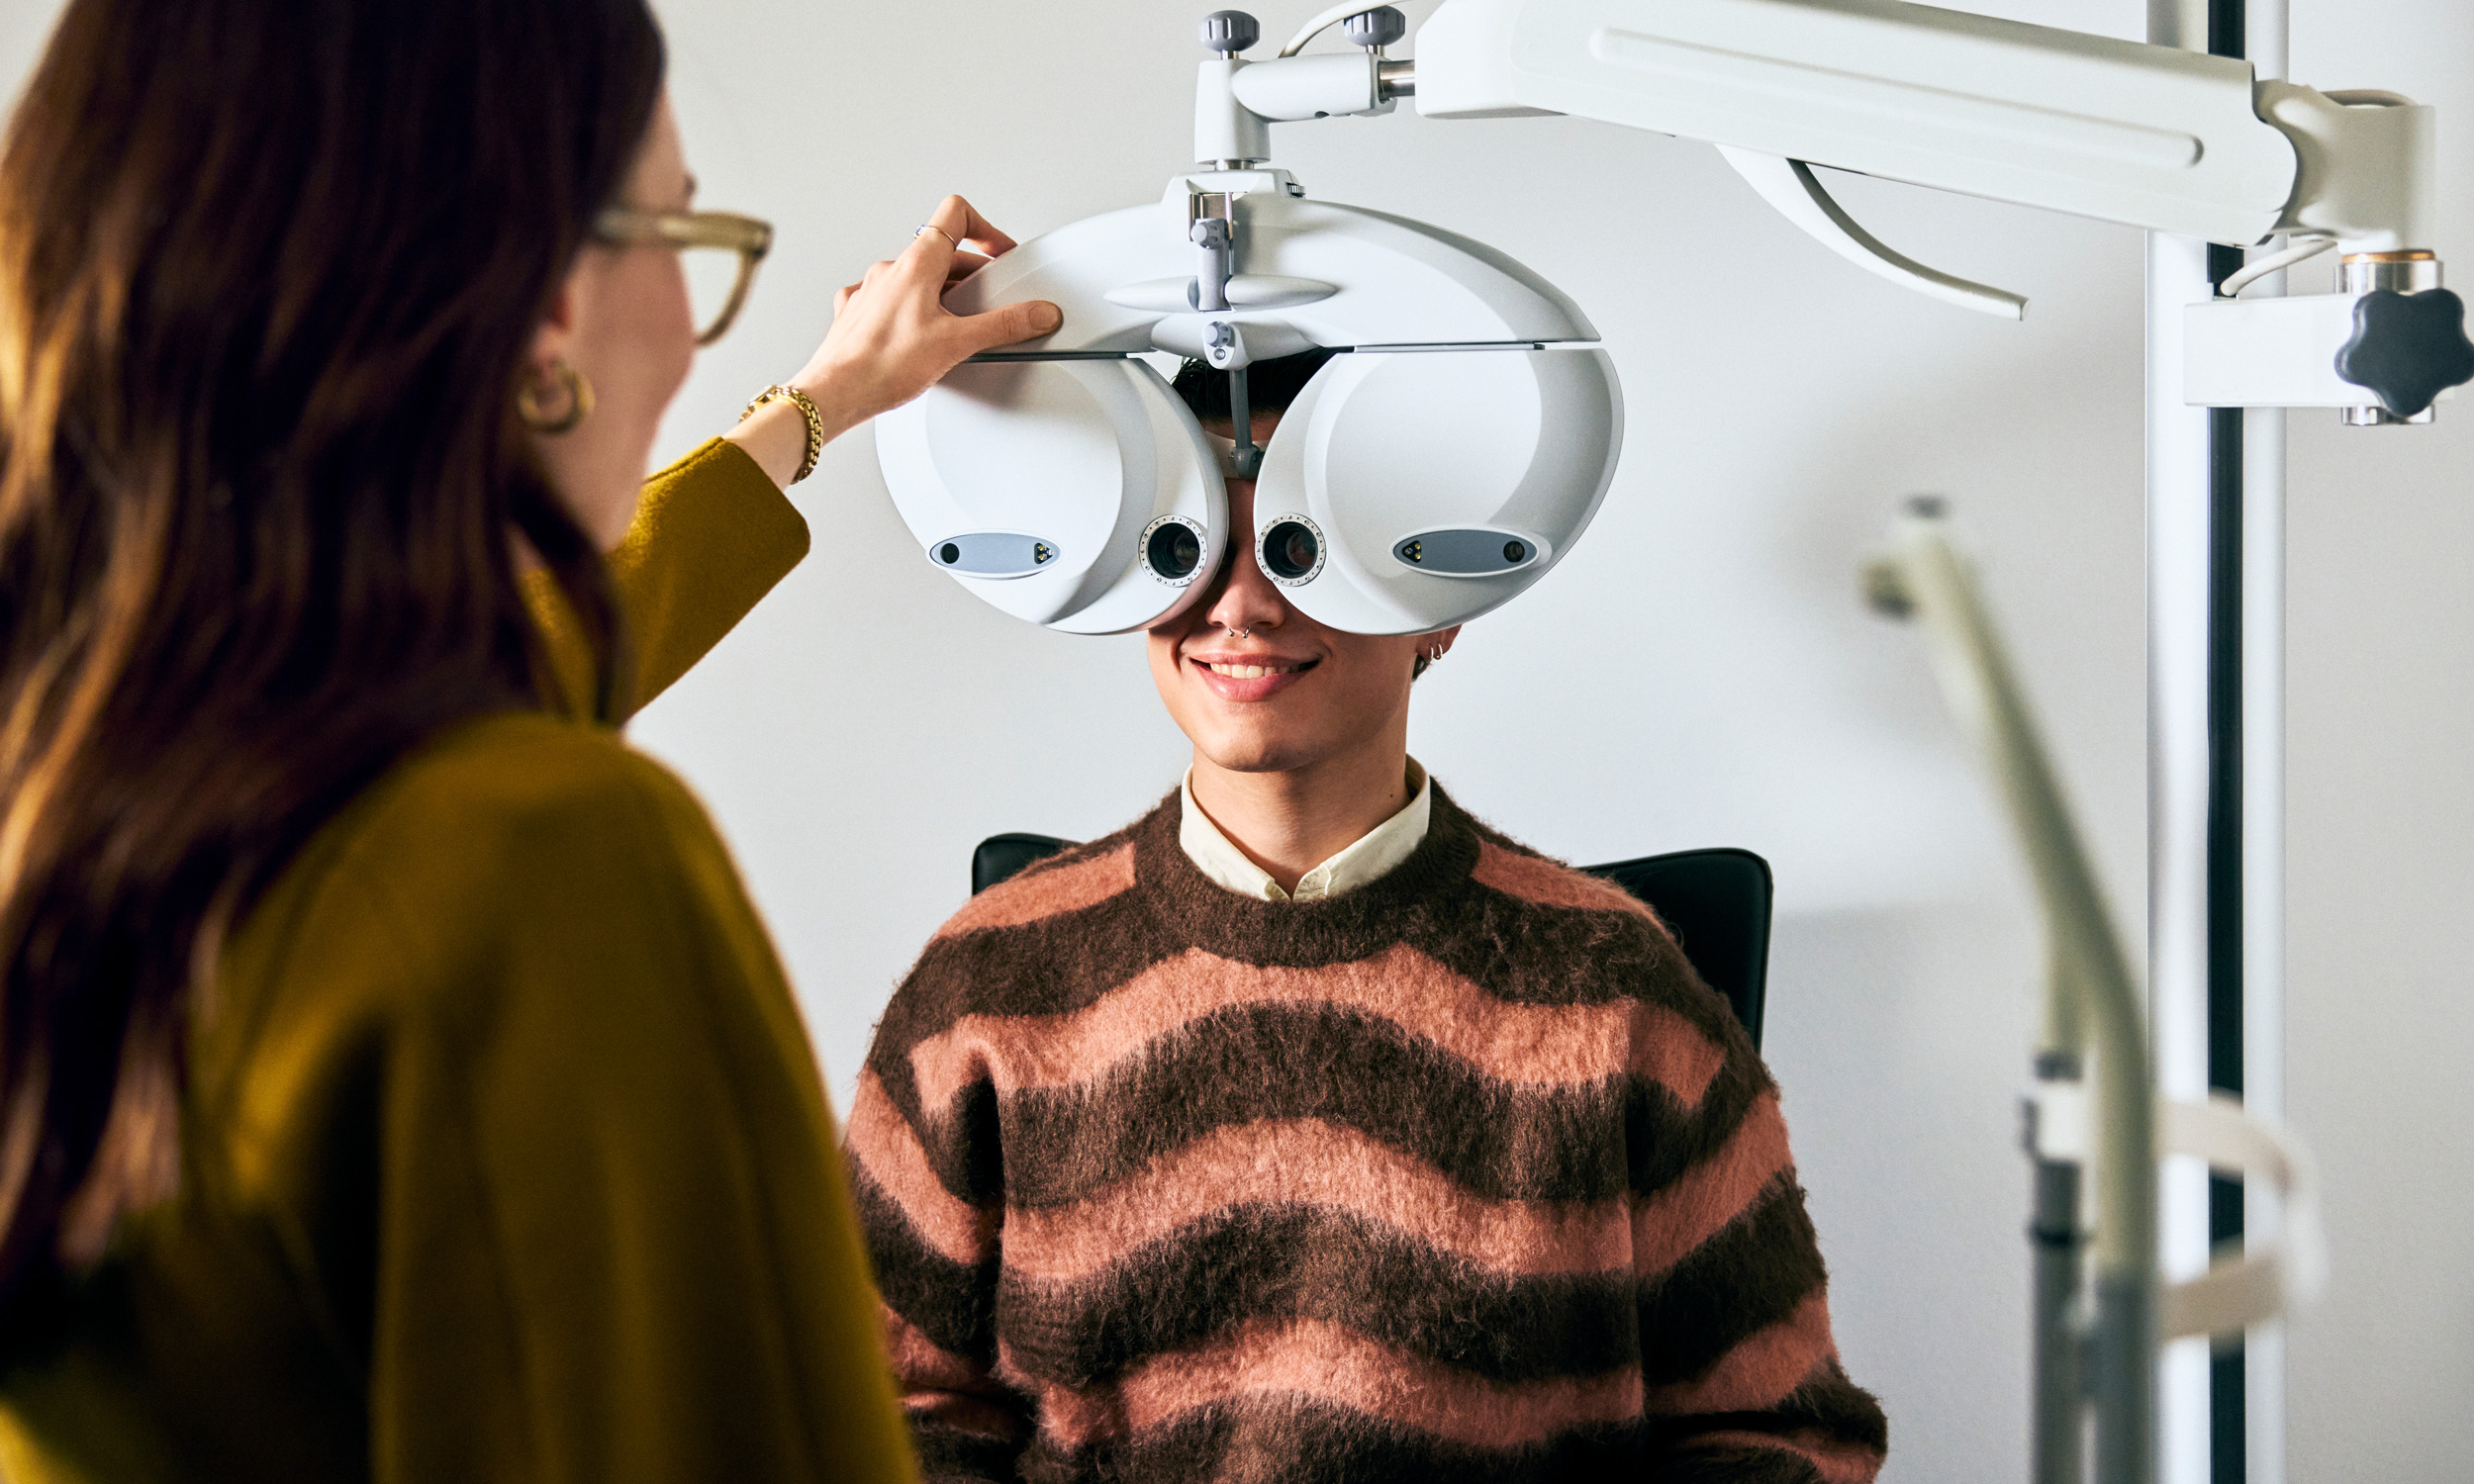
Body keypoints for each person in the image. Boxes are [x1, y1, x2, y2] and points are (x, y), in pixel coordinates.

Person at [0, 1, 1057, 1479]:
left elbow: (494, 667)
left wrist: (819, 406)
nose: (686, 335)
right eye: (682, 239)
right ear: (552, 306)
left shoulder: (93, 772)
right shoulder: (539, 863)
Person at [843, 349, 1891, 1483]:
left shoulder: (1615, 987)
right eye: (1186, 548)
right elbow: (881, 1408)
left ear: (1441, 606)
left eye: (1304, 550)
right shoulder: (987, 983)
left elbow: (1779, 1431)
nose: (1241, 606)